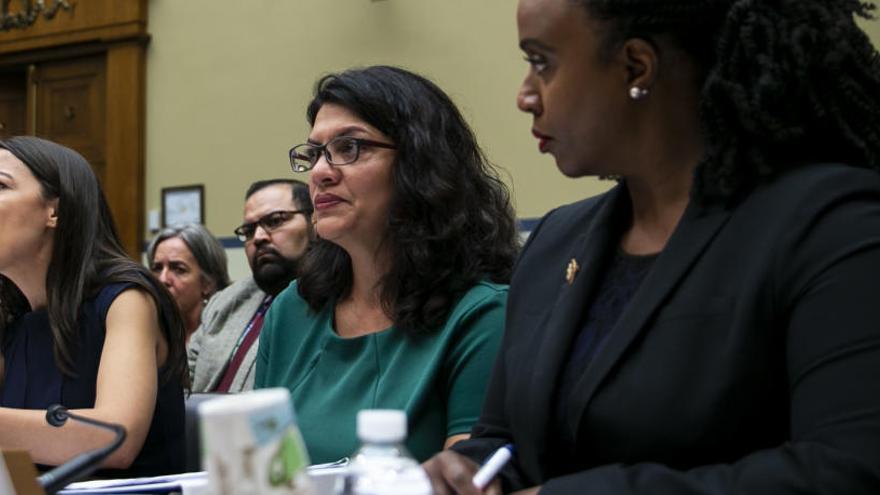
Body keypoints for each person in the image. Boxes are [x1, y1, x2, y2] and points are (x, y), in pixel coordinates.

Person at [424, 0, 880, 494]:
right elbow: (507, 438)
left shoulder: (831, 225)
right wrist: (464, 471)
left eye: (541, 62)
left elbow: (845, 469)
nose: (525, 96)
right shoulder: (556, 241)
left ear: (636, 66)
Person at [255, 66, 520, 464]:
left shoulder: (482, 315)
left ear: (420, 163)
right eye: (315, 154)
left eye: (350, 148)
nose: (321, 173)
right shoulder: (293, 309)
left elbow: (471, 481)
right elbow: (261, 473)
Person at [0, 136, 187, 476]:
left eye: (1, 185)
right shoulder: (14, 322)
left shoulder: (126, 299)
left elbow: (115, 439)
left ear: (54, 210)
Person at [187, 179, 313, 393]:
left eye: (275, 220)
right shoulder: (227, 300)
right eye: (248, 230)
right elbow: (184, 377)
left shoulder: (335, 304)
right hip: (199, 422)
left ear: (314, 221)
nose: (258, 237)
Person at [148, 223, 230, 342]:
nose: (162, 279)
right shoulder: (146, 332)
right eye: (157, 268)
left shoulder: (225, 337)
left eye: (178, 270)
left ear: (208, 283)